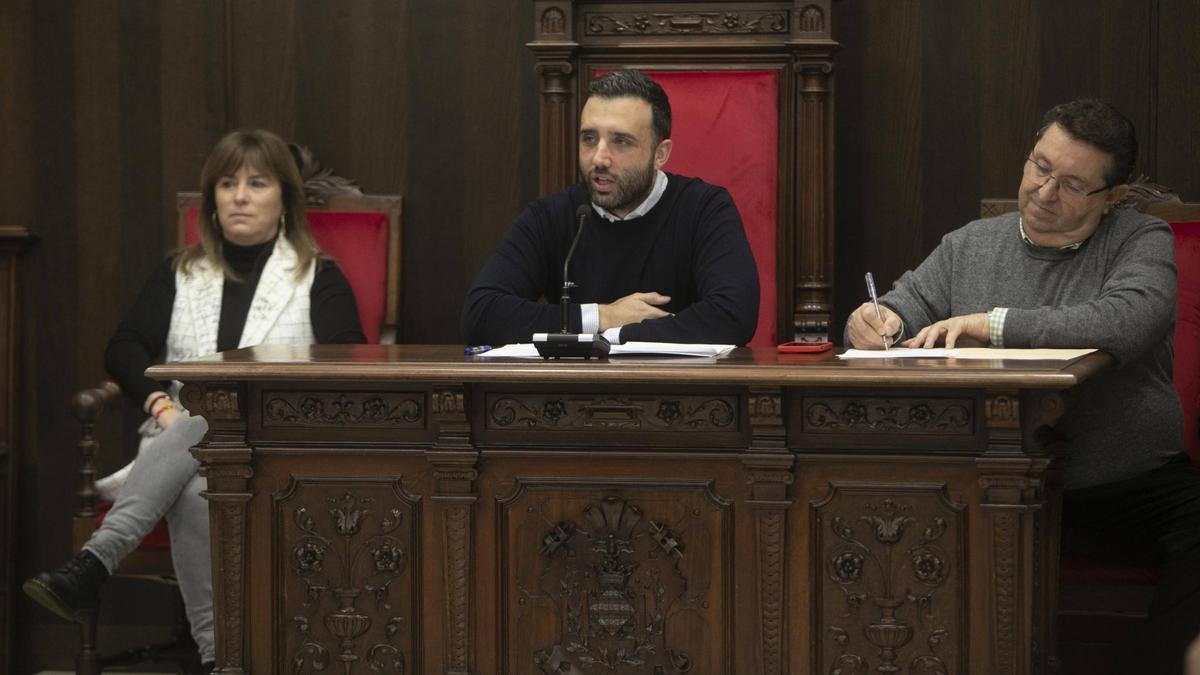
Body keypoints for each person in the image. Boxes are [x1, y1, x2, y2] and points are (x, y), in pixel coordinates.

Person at [846, 99, 1199, 673]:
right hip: (982, 482)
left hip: (1122, 485)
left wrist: (993, 324)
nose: (1043, 191)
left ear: (1110, 198)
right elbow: (899, 307)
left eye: (1071, 185)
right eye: (1040, 166)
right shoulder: (970, 244)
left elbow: (1127, 320)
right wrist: (873, 321)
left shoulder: (1139, 238)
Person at [23, 129, 366, 669]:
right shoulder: (181, 272)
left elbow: (348, 361)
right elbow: (125, 347)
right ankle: (216, 658)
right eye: (227, 184)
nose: (240, 196)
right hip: (182, 448)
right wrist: (159, 404)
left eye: (256, 182)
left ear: (284, 199)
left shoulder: (317, 277)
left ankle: (95, 562)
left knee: (216, 410)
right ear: (212, 201)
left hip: (278, 447)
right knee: (196, 471)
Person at [461, 69, 759, 346]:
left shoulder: (703, 208)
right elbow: (481, 314)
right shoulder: (552, 216)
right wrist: (603, 317)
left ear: (660, 154)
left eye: (621, 142)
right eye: (589, 139)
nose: (599, 158)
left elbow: (734, 315)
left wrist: (617, 336)